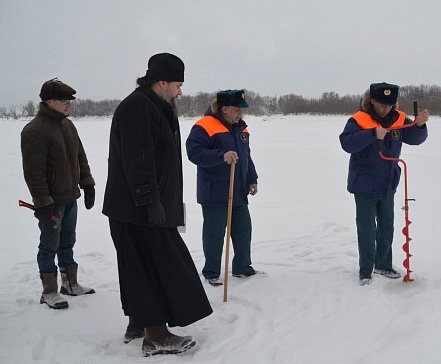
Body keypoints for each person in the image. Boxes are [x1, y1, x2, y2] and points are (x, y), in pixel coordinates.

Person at [102, 53, 213, 356]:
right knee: (153, 267)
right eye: (178, 84)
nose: (181, 91)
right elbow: (137, 160)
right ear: (161, 82)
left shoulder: (155, 106)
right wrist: (150, 202)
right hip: (136, 209)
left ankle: (138, 324)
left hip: (146, 206)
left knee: (142, 266)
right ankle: (156, 335)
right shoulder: (138, 107)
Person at [339, 82, 429, 286]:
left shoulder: (398, 118)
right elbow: (346, 142)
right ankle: (365, 271)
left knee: (387, 226)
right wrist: (371, 134)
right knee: (367, 229)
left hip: (388, 184)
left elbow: (414, 138)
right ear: (372, 101)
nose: (386, 108)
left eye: (389, 104)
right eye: (381, 104)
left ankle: (383, 264)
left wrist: (420, 125)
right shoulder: (358, 119)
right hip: (364, 184)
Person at [21, 78, 96, 310]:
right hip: (52, 203)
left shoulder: (68, 125)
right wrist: (42, 202)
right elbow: (34, 172)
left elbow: (80, 158)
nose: (69, 105)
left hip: (70, 198)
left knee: (67, 242)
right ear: (49, 101)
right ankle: (49, 292)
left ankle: (70, 284)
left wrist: (87, 184)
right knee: (49, 246)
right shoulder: (35, 131)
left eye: (70, 101)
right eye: (64, 101)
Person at [186, 89, 261, 287]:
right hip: (215, 192)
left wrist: (252, 178)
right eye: (237, 109)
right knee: (214, 234)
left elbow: (247, 157)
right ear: (224, 109)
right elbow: (194, 153)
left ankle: (242, 267)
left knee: (243, 230)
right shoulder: (204, 126)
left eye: (242, 110)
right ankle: (211, 272)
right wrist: (221, 156)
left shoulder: (241, 128)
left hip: (238, 191)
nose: (240, 114)